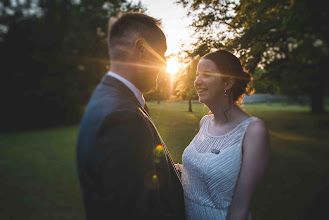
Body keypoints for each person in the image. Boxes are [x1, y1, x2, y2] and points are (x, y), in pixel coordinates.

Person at [76, 12, 186, 220]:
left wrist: (172, 173)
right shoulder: (124, 117)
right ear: (141, 49)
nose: (164, 65)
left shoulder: (107, 97)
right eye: (162, 54)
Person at [176, 50, 269, 220]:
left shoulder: (253, 131)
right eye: (197, 75)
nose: (197, 81)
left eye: (206, 75)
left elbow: (240, 207)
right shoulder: (204, 122)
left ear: (228, 83)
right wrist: (181, 169)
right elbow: (209, 171)